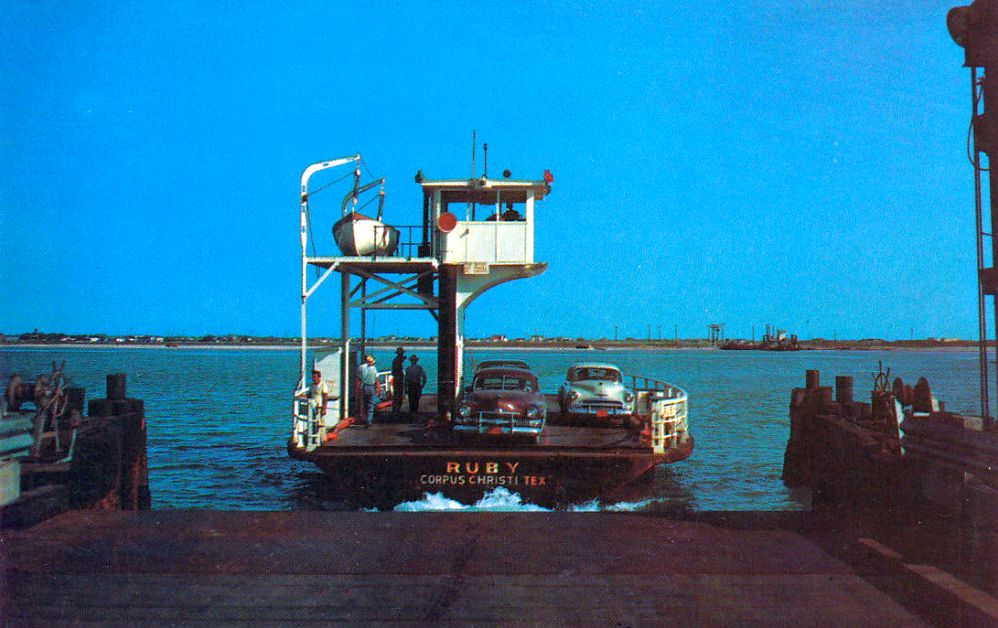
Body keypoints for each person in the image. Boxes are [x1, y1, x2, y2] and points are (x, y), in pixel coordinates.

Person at [358, 354, 380, 427]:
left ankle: (364, 418)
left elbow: (359, 379)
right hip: (371, 387)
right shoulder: (374, 369)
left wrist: (357, 389)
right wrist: (378, 389)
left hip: (363, 386)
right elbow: (376, 380)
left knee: (364, 403)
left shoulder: (361, 367)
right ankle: (369, 420)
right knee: (370, 404)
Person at [391, 346, 406, 418]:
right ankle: (396, 411)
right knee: (398, 396)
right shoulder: (397, 361)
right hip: (398, 380)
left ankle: (395, 410)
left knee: (397, 395)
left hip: (397, 380)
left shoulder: (395, 360)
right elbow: (396, 371)